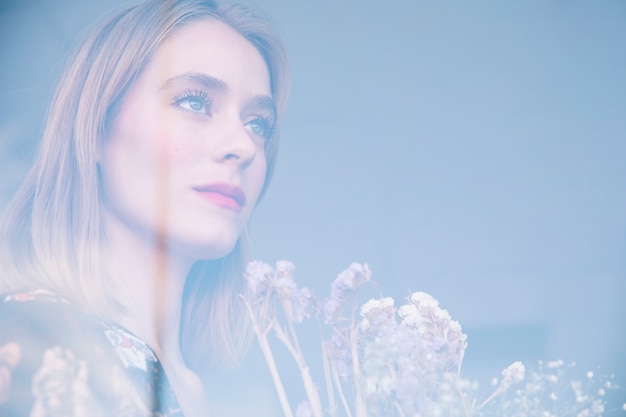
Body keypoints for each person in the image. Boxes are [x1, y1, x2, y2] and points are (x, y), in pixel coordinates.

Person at [0, 0, 289, 415]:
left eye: (258, 124)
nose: (244, 146)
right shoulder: (32, 343)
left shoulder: (204, 393)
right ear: (96, 126)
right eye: (193, 102)